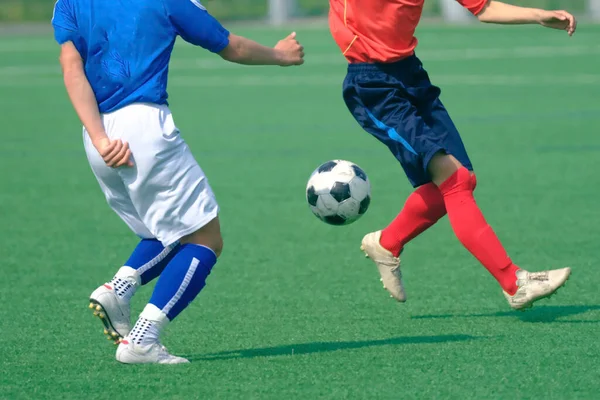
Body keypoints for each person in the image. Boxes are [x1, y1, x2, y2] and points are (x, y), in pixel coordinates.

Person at [52, 0, 304, 364]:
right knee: (205, 239)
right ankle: (142, 339)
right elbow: (229, 45)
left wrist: (100, 139)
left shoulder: (70, 2)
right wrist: (280, 55)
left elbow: (71, 68)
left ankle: (118, 291)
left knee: (163, 232)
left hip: (98, 137)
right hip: (144, 131)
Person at [329, 0, 575, 309]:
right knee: (453, 178)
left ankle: (387, 243)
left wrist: (539, 15)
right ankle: (514, 282)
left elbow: (482, 8)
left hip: (411, 74)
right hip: (373, 86)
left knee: (462, 180)